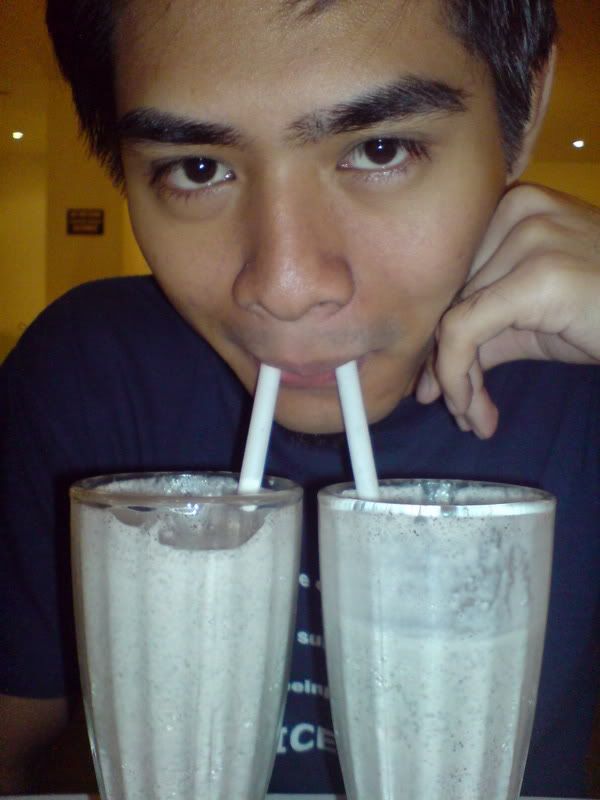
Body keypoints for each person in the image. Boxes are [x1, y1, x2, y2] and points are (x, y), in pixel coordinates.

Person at [1, 0, 598, 795]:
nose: (284, 287)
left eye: (380, 149)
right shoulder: (86, 375)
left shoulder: (584, 389)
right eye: (198, 168)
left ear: (525, 107)